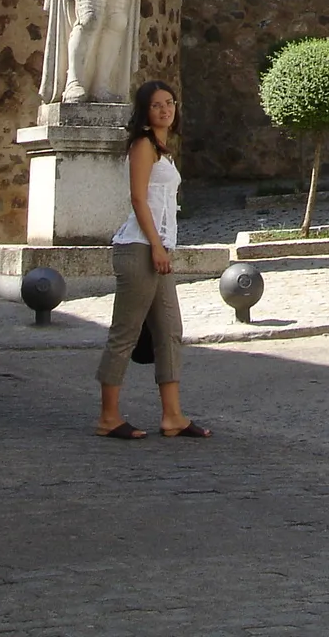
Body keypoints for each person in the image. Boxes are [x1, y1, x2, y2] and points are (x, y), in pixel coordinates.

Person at [95, 80, 209, 439]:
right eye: (157, 104)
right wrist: (157, 246)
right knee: (125, 333)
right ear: (145, 111)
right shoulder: (143, 145)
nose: (165, 109)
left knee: (169, 332)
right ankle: (108, 417)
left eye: (170, 103)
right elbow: (139, 199)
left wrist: (164, 246)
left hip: (159, 249)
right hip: (140, 248)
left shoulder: (164, 149)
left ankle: (172, 416)